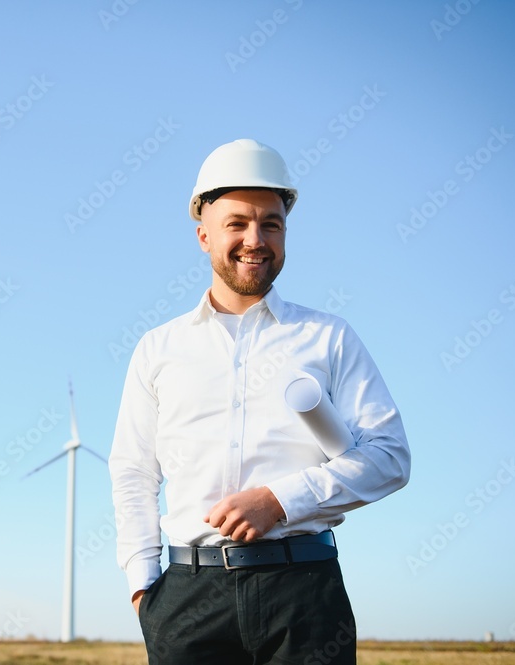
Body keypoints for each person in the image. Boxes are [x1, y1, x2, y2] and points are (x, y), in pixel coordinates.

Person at [108, 138, 411, 664]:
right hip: (185, 600)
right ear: (203, 235)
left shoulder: (330, 338)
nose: (256, 239)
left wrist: (279, 499)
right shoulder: (158, 349)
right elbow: (133, 471)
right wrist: (144, 589)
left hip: (305, 598)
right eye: (238, 223)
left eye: (271, 223)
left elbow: (389, 457)